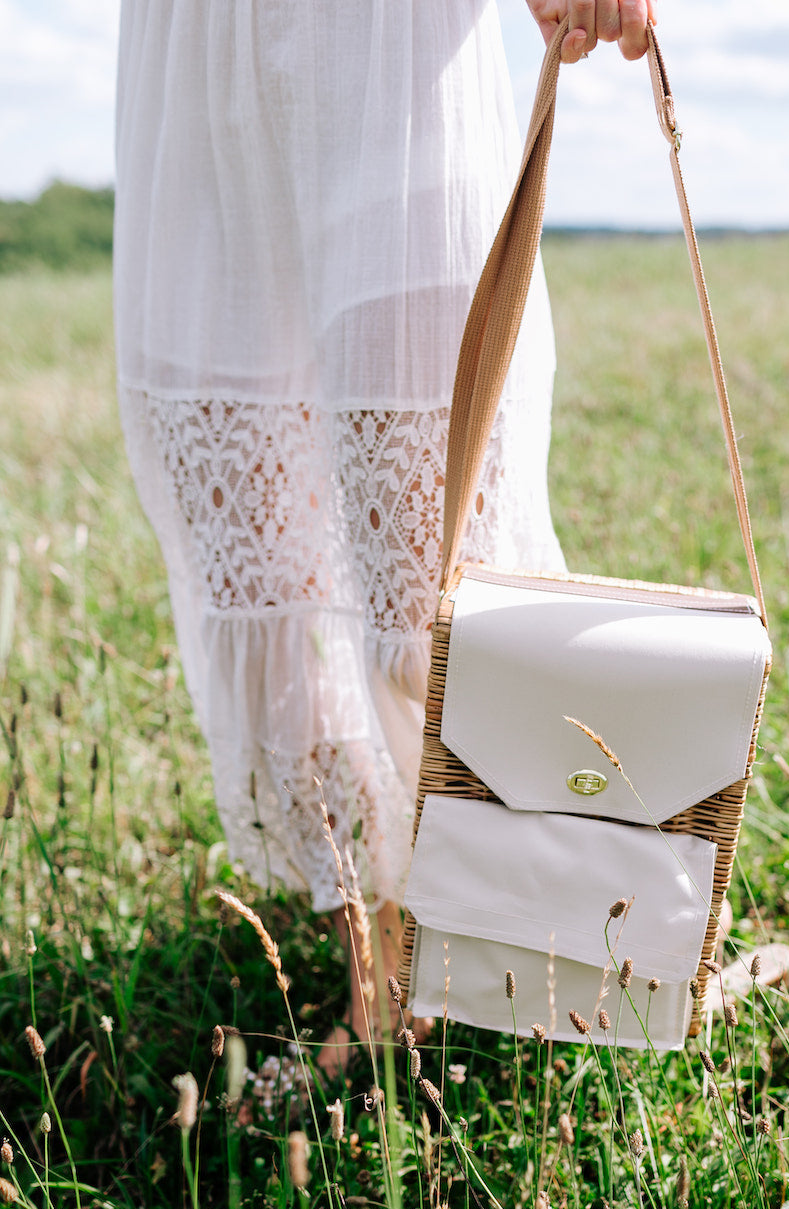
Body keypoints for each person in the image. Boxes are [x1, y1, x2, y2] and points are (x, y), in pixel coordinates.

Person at [113, 0, 656, 1066]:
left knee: (424, 544)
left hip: (386, 40)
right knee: (254, 543)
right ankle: (370, 944)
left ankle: (505, 927)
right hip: (194, 43)